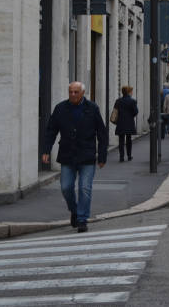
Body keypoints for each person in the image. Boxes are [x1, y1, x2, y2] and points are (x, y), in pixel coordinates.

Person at [41, 81, 108, 233]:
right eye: (70, 92)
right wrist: (46, 150)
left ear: (83, 93)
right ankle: (75, 211)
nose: (72, 95)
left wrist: (102, 156)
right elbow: (51, 130)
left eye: (76, 92)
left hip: (87, 155)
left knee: (84, 188)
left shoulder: (92, 108)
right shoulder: (60, 108)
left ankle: (82, 219)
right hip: (67, 154)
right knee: (66, 187)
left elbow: (102, 134)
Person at [113, 85, 138, 162]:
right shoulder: (133, 101)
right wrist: (130, 116)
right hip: (129, 122)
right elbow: (136, 112)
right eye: (131, 91)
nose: (132, 93)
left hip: (120, 122)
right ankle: (129, 155)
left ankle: (121, 157)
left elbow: (115, 112)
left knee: (121, 140)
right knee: (128, 139)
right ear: (129, 92)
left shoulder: (118, 101)